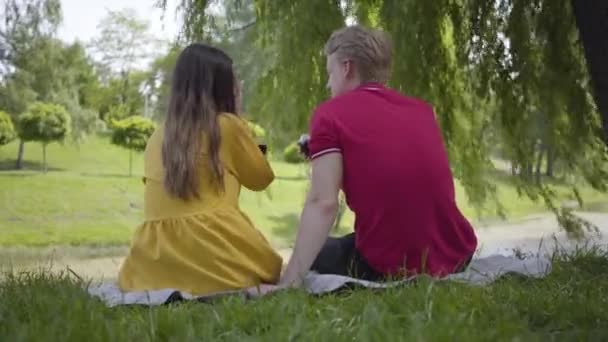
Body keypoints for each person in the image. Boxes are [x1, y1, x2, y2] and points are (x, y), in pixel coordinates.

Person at [276, 25, 478, 289]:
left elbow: (323, 203)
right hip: (457, 254)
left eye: (330, 73)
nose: (328, 83)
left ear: (347, 68)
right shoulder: (423, 111)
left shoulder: (330, 115)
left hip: (390, 264)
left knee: (319, 250)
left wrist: (287, 283)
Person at [118, 43, 282, 296]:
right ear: (224, 88)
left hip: (152, 264)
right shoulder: (227, 126)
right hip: (216, 258)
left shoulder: (157, 136)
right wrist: (247, 131)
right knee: (270, 267)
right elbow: (261, 178)